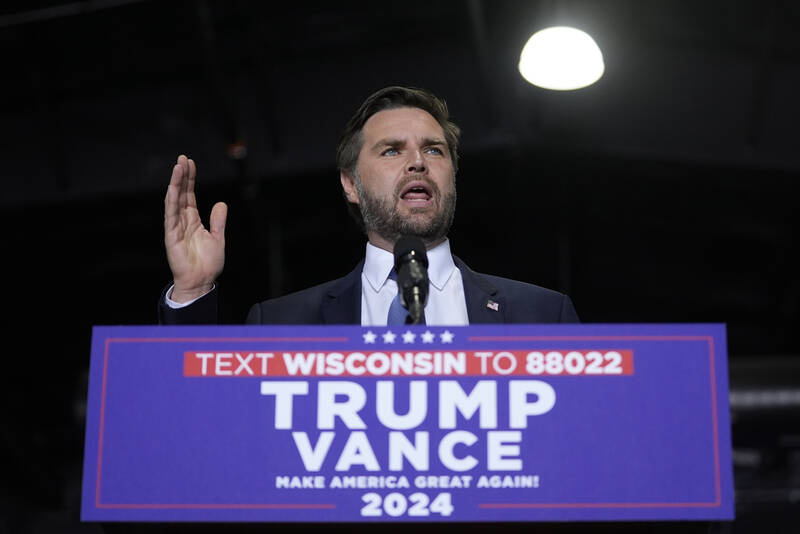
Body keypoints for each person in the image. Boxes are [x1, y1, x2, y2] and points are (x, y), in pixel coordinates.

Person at [159, 86, 578, 325]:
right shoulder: (284, 324)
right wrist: (193, 291)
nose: (417, 161)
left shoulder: (540, 314)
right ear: (350, 185)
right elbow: (204, 426)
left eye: (434, 150)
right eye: (392, 151)